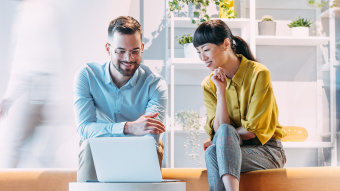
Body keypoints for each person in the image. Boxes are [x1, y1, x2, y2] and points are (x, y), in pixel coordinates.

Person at [193, 20, 286, 191]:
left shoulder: (258, 73)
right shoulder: (209, 84)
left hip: (267, 152)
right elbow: (220, 129)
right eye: (198, 52)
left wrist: (222, 140)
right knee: (214, 150)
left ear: (226, 44)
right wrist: (221, 91)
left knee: (221, 141)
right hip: (232, 152)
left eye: (206, 49)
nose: (202, 57)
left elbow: (252, 131)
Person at [73, 16, 168, 182]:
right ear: (108, 48)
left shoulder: (155, 83)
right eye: (121, 51)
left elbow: (149, 139)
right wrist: (128, 128)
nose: (128, 58)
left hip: (139, 150)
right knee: (88, 144)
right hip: (98, 148)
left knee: (154, 148)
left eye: (135, 51)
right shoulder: (87, 75)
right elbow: (85, 129)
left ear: (142, 48)